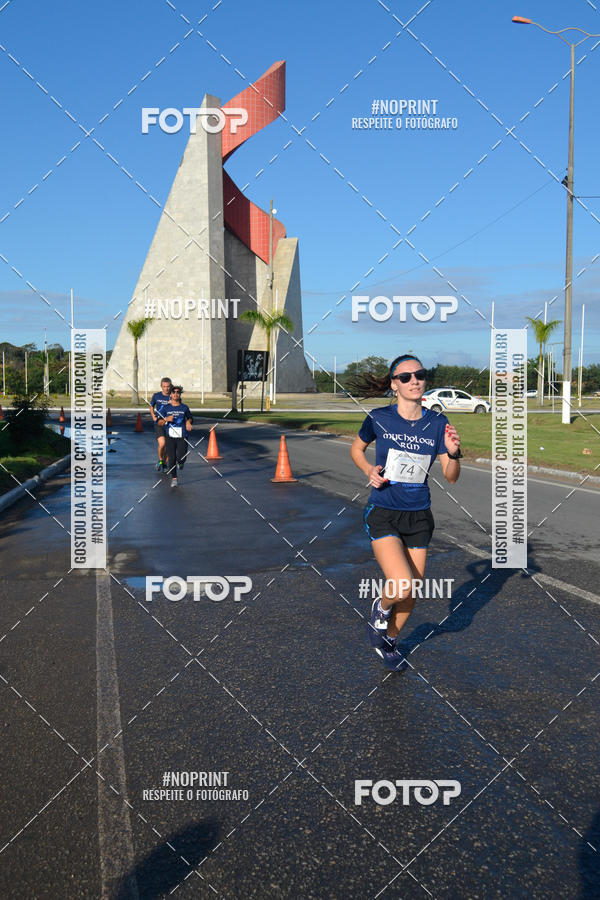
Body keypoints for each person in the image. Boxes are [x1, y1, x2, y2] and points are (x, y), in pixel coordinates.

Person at [350, 354, 462, 670]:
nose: (414, 380)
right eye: (405, 377)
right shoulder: (379, 418)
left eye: (419, 375)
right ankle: (380, 608)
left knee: (411, 593)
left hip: (418, 516)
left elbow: (451, 477)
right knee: (400, 584)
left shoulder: (437, 422)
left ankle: (389, 641)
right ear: (394, 385)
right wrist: (369, 469)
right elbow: (356, 449)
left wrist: (454, 453)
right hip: (384, 509)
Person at [158, 385, 193, 487]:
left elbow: (190, 418)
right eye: (173, 392)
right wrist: (166, 420)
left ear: (180, 394)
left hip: (182, 436)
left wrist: (188, 422)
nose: (175, 394)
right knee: (172, 458)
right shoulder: (166, 408)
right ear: (171, 394)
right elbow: (159, 422)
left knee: (181, 457)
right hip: (170, 437)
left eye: (178, 392)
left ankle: (181, 462)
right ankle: (174, 478)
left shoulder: (184, 407)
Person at [150, 377, 173, 472]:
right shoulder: (156, 396)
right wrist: (153, 416)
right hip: (159, 422)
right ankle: (160, 460)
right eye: (164, 386)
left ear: (170, 386)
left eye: (168, 386)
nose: (166, 388)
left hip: (170, 424)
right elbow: (151, 406)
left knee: (169, 446)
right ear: (161, 386)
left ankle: (164, 464)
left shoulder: (174, 395)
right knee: (162, 443)